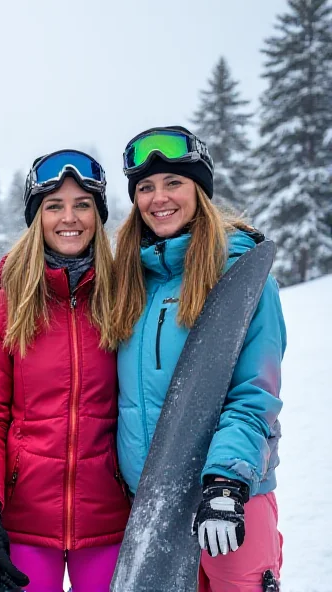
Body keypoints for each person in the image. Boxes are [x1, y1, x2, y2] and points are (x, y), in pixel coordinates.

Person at [112, 126, 286, 591]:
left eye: (174, 183)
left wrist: (226, 484)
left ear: (199, 190)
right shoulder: (132, 283)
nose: (158, 198)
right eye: (145, 188)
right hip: (151, 507)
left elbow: (255, 392)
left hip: (230, 502)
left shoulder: (240, 276)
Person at [0, 151, 131, 591]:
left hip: (109, 518)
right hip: (25, 521)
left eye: (82, 205)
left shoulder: (127, 296)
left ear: (98, 214)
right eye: (54, 206)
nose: (68, 218)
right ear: (37, 218)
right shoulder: (5, 309)